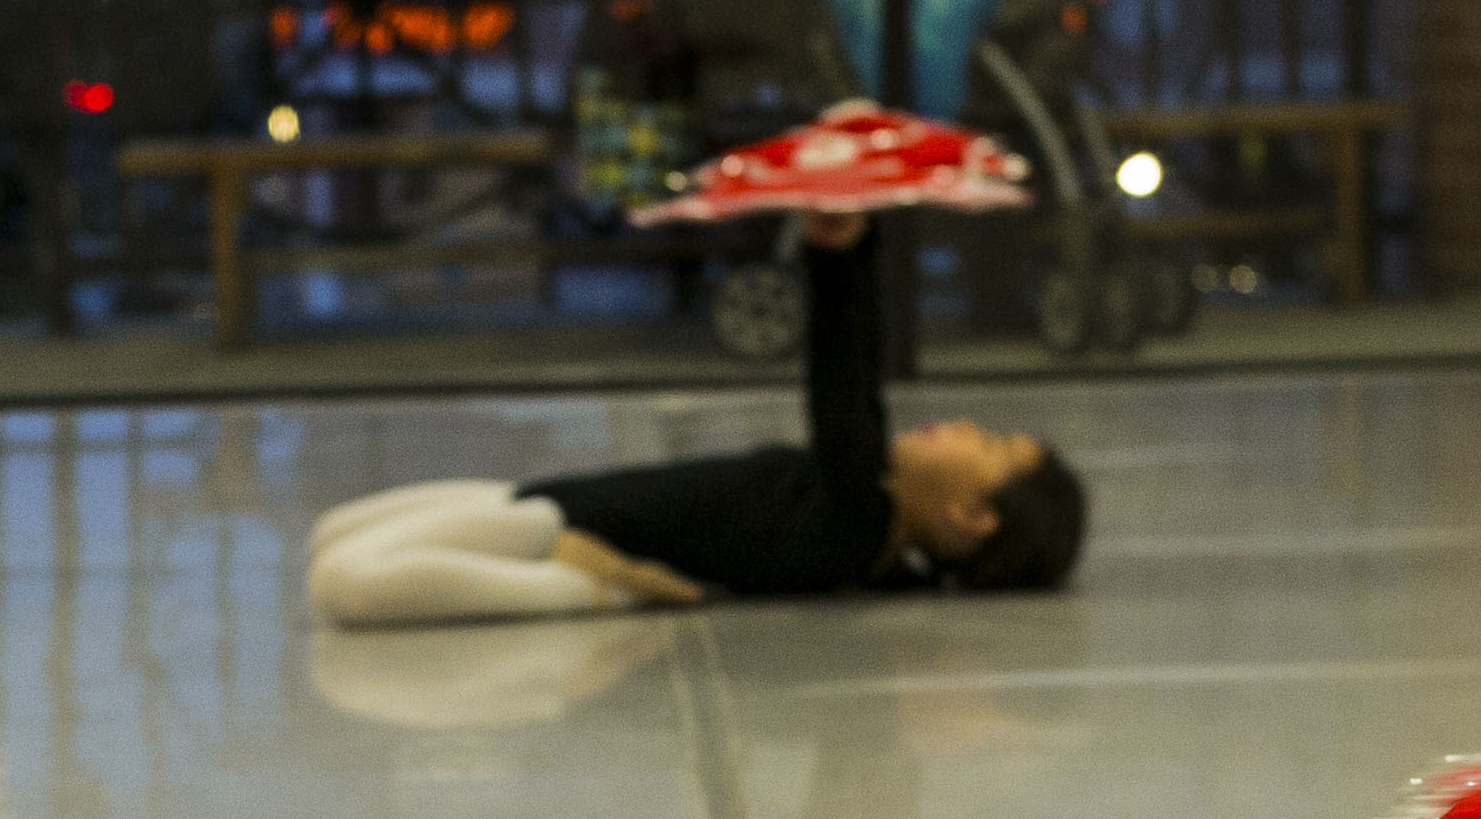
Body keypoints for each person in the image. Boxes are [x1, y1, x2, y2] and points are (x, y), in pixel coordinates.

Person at [305, 219, 1080, 627]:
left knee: (346, 584)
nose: (969, 423)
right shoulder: (867, 541)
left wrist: (841, 254)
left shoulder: (858, 519)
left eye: (990, 446)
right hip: (557, 499)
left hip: (572, 539)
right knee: (328, 538)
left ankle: (597, 595)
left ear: (970, 517)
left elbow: (845, 385)